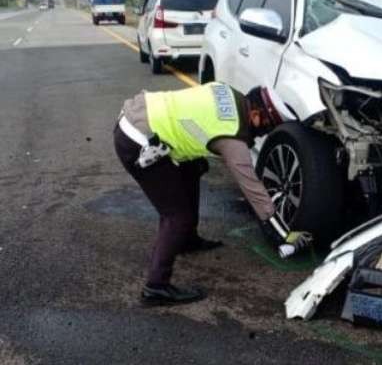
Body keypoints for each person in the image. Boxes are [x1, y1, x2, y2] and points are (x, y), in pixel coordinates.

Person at [114, 81, 313, 307]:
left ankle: (187, 240)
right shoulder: (232, 135)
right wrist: (283, 235)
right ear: (256, 114)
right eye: (266, 126)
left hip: (139, 116)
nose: (262, 133)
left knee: (193, 169)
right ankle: (156, 287)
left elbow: (194, 121)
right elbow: (252, 188)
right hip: (138, 142)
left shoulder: (228, 91)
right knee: (176, 217)